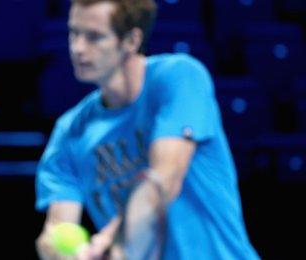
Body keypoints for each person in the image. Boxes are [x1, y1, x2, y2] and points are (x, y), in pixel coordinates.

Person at [34, 0, 259, 259]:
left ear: (131, 40)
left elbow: (165, 178)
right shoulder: (69, 132)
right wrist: (70, 253)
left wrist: (112, 240)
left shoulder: (179, 77)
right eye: (73, 33)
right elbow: (56, 230)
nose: (77, 48)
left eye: (94, 37)